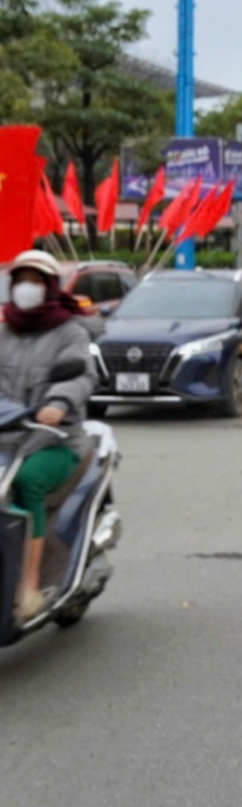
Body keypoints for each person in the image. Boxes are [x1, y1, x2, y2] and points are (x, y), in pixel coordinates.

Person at [0, 250, 98, 622]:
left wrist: (59, 402)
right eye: (22, 279)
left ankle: (27, 587)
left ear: (51, 287)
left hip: (55, 439)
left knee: (27, 484)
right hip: (5, 440)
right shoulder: (3, 330)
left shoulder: (69, 331)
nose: (28, 288)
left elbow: (82, 375)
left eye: (37, 281)